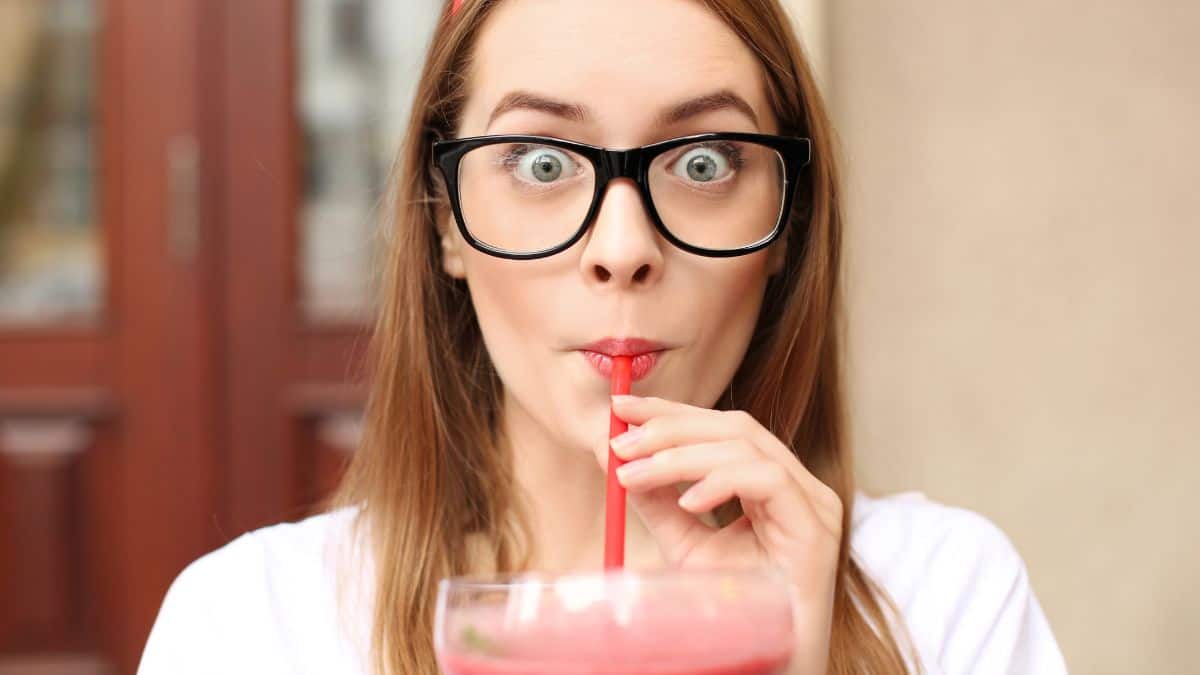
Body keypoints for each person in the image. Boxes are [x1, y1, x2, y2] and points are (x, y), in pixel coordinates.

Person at [138, 0, 1068, 673]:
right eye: (540, 161)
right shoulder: (252, 629)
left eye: (704, 161)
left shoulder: (949, 600)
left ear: (787, 225)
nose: (623, 249)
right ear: (447, 223)